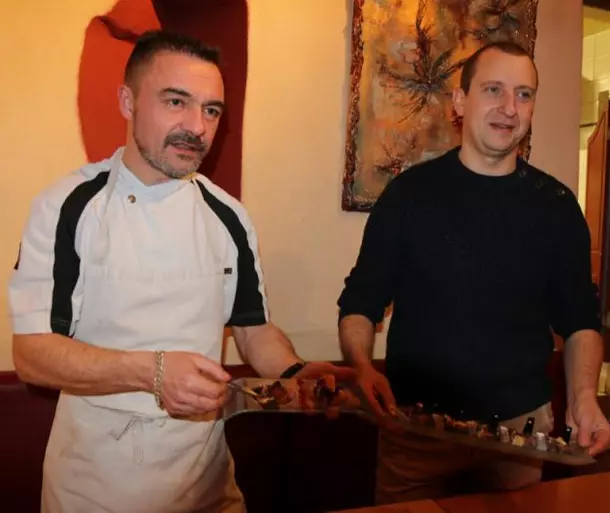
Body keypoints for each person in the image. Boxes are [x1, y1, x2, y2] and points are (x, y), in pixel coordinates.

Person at [9, 30, 355, 513]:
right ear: (127, 101)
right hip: (97, 490)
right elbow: (32, 355)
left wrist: (296, 372)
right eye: (177, 102)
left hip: (208, 486)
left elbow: (253, 331)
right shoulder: (68, 206)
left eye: (211, 110)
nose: (197, 126)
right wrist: (151, 371)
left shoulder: (228, 214)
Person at [337, 41, 610, 504]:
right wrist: (362, 367)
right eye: (494, 90)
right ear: (460, 102)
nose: (510, 108)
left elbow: (580, 321)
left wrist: (584, 397)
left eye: (524, 95)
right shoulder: (408, 196)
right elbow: (359, 304)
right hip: (416, 431)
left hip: (519, 438)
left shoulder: (559, 207)